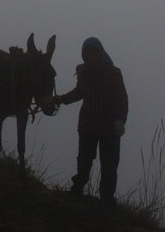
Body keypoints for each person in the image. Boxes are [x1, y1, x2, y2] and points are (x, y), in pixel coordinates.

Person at [54, 37, 128, 205]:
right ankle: (78, 188)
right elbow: (78, 93)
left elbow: (121, 99)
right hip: (88, 125)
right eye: (86, 53)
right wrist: (59, 99)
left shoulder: (113, 73)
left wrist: (120, 120)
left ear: (100, 53)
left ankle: (107, 199)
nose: (89, 56)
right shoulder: (83, 73)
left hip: (110, 128)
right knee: (84, 160)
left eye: (92, 52)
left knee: (109, 166)